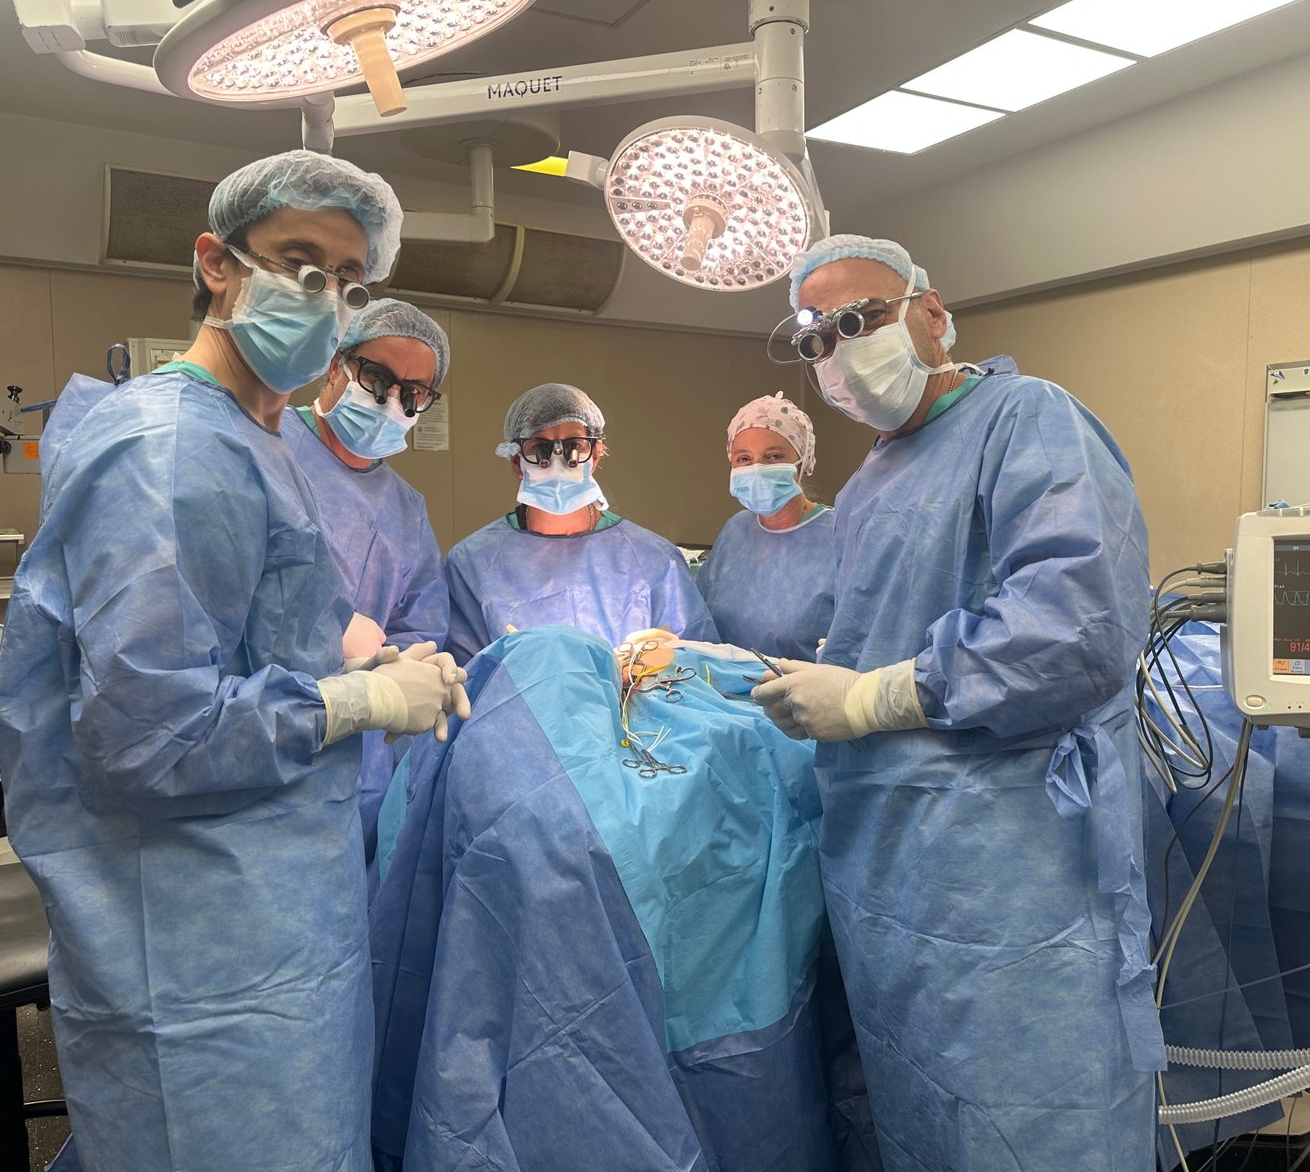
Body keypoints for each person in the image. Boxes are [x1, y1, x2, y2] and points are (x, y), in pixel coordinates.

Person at [0, 150, 469, 1172]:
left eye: (348, 281)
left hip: (268, 914)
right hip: (195, 946)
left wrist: (365, 661)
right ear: (217, 262)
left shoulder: (252, 438)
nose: (325, 298)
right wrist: (359, 701)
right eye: (301, 265)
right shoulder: (169, 448)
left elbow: (258, 633)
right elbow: (152, 736)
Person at [751, 235, 1163, 1170]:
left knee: (1030, 1117)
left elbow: (1078, 628)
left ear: (931, 314)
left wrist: (871, 698)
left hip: (1011, 866)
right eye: (816, 338)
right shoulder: (870, 479)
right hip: (891, 864)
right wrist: (818, 677)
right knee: (922, 1111)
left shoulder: (1028, 418)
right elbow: (873, 630)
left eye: (858, 319)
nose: (839, 349)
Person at [282, 298, 451, 857]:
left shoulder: (405, 509)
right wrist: (327, 636)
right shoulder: (264, 448)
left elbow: (417, 626)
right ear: (336, 365)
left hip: (361, 760)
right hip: (262, 729)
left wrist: (403, 669)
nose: (392, 399)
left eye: (413, 392)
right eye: (377, 377)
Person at [443, 382, 718, 663]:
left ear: (596, 454)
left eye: (574, 446)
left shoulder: (654, 560)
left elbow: (698, 665)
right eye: (541, 447)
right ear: (516, 461)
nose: (558, 460)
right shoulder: (473, 563)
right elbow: (467, 673)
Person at [696, 392, 837, 660]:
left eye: (773, 456)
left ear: (803, 461)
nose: (757, 469)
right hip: (721, 684)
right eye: (744, 459)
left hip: (800, 686)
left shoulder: (839, 537)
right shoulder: (735, 531)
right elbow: (702, 621)